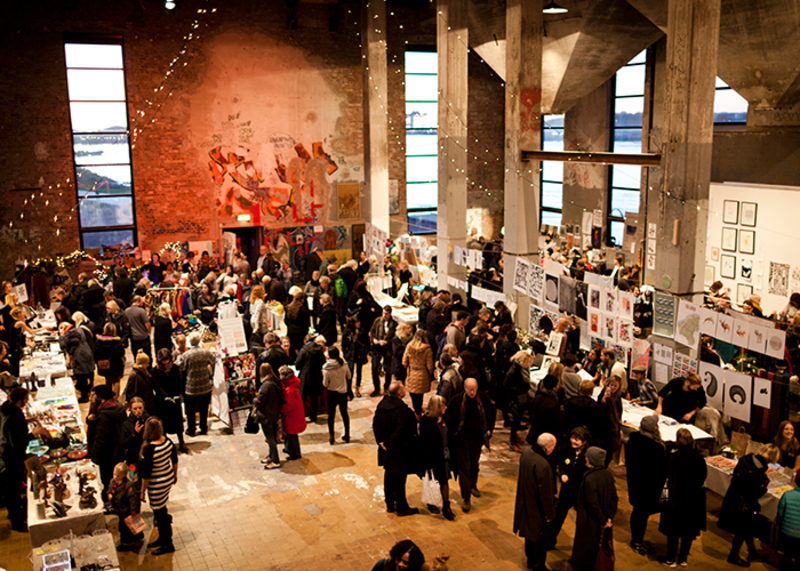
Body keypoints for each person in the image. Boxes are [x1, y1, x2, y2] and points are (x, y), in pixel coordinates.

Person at [718, 443, 780, 566]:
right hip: (744, 504)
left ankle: (752, 552)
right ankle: (734, 555)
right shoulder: (758, 474)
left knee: (747, 528)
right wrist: (764, 487)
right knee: (742, 529)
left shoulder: (745, 459)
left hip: (733, 497)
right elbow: (754, 493)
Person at [0, 387, 48, 531]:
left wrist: (27, 420)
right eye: (26, 399)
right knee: (13, 487)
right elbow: (16, 442)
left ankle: (16, 511)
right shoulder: (10, 417)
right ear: (19, 400)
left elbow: (16, 425)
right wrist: (34, 433)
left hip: (13, 453)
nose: (27, 402)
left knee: (14, 485)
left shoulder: (9, 410)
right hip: (12, 455)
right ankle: (16, 520)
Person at [658, 428, 708, 567]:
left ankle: (671, 558)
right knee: (688, 531)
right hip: (693, 499)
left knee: (673, 531)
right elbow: (703, 476)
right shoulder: (699, 458)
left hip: (677, 498)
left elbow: (668, 477)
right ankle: (683, 558)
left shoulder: (674, 457)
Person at [445, 378, 496, 512]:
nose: (472, 392)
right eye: (469, 389)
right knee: (464, 467)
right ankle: (466, 497)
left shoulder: (483, 399)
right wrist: (454, 433)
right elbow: (448, 417)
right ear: (465, 388)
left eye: (474, 389)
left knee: (474, 464)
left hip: (477, 438)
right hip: (462, 439)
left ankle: (473, 485)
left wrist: (489, 429)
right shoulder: (456, 401)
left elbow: (492, 413)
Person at [373, 381, 419, 516]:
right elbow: (400, 431)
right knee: (399, 478)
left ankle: (389, 504)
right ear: (399, 393)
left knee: (388, 475)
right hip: (399, 450)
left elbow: (376, 424)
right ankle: (401, 507)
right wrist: (388, 443)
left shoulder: (382, 405)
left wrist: (381, 441)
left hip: (387, 449)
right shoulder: (402, 411)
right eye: (403, 388)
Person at [513, 433, 557, 571]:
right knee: (538, 538)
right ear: (548, 447)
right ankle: (538, 565)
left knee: (529, 535)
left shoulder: (526, 453)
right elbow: (546, 495)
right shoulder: (543, 465)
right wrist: (550, 515)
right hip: (537, 507)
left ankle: (530, 560)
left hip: (526, 501)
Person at [570, 447, 618, 571]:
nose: (585, 458)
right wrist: (609, 518)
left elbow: (592, 504)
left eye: (587, 456)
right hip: (604, 518)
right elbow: (614, 499)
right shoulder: (607, 475)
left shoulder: (590, 478)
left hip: (590, 520)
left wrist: (603, 520)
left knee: (587, 545)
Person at [625, 415, 667, 555]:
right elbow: (661, 471)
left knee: (637, 512)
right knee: (642, 514)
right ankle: (637, 541)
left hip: (635, 483)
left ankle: (636, 539)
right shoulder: (656, 448)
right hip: (649, 487)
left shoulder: (633, 439)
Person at [139, 417, 178, 555]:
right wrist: (175, 474)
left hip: (157, 484)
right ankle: (163, 538)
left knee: (160, 514)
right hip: (167, 478)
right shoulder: (167, 441)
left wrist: (143, 491)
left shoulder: (150, 449)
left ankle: (167, 543)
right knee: (162, 509)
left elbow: (146, 474)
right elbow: (175, 459)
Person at [420, 395, 456, 521]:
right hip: (433, 458)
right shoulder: (426, 422)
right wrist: (427, 464)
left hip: (445, 456)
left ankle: (446, 507)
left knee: (444, 481)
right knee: (433, 481)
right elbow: (424, 444)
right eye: (443, 406)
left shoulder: (446, 418)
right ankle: (432, 502)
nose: (446, 408)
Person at [86, 384, 126, 497]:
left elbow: (101, 438)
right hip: (118, 450)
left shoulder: (103, 415)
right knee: (117, 476)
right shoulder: (119, 407)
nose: (93, 397)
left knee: (107, 478)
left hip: (107, 454)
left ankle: (109, 499)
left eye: (95, 395)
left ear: (101, 397)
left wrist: (93, 455)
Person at [552, 426, 591, 538]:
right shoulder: (566, 449)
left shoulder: (588, 453)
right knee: (559, 515)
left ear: (584, 442)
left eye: (577, 439)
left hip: (581, 492)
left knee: (582, 520)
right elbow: (561, 464)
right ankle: (550, 539)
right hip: (567, 489)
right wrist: (562, 474)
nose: (573, 441)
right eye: (572, 438)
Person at [179, 332, 216, 436]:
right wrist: (210, 375)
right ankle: (203, 428)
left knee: (190, 410)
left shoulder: (186, 355)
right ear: (199, 341)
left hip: (191, 387)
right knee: (203, 408)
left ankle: (191, 429)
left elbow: (180, 367)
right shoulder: (206, 352)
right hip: (204, 385)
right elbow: (214, 362)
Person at [152, 348, 187, 453]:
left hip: (175, 400)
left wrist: (176, 394)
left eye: (168, 363)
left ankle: (181, 442)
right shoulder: (155, 371)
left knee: (178, 422)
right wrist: (165, 396)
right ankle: (165, 444)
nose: (167, 366)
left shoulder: (175, 368)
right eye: (164, 363)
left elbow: (179, 382)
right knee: (164, 424)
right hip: (162, 402)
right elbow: (156, 385)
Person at [252, 362, 282, 469]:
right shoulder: (275, 382)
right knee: (272, 437)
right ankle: (271, 455)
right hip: (274, 413)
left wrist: (254, 399)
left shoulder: (265, 386)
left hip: (266, 416)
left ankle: (275, 460)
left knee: (270, 439)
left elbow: (259, 401)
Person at [108, 462, 143, 551]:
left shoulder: (128, 485)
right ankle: (137, 536)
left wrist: (133, 511)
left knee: (126, 529)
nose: (116, 477)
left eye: (118, 475)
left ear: (124, 475)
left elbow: (132, 499)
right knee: (126, 526)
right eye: (114, 474)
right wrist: (110, 494)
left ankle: (128, 544)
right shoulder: (113, 481)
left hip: (127, 510)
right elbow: (110, 488)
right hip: (119, 509)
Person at [59, 319, 96, 403]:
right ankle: (89, 388)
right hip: (87, 352)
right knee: (89, 372)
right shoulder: (78, 330)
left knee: (81, 375)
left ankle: (84, 396)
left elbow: (63, 345)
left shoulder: (69, 334)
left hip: (79, 356)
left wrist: (61, 337)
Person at [322, 347, 352, 444]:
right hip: (343, 392)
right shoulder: (344, 364)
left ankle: (332, 436)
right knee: (344, 414)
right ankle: (347, 434)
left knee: (331, 415)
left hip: (331, 393)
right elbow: (349, 376)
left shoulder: (326, 368)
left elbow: (325, 384)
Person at [560, 379, 604, 446]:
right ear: (592, 392)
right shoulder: (596, 407)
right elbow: (599, 427)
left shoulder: (570, 403)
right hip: (588, 440)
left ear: (579, 390)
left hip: (570, 437)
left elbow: (563, 421)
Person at [402, 329, 434, 417]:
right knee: (420, 395)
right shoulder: (427, 348)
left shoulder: (409, 346)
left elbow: (404, 362)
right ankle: (418, 412)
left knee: (413, 394)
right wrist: (430, 373)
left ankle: (416, 410)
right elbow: (429, 366)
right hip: (422, 374)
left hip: (411, 373)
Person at [295, 334, 326, 423]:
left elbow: (298, 364)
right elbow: (323, 362)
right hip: (316, 376)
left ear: (305, 341)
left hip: (305, 376)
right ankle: (314, 416)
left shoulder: (303, 350)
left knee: (302, 397)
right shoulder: (319, 350)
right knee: (314, 397)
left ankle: (302, 415)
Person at [279, 365, 306, 460]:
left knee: (292, 435)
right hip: (296, 413)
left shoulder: (289, 390)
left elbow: (289, 405)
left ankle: (295, 454)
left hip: (291, 415)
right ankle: (289, 449)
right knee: (289, 434)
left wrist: (280, 409)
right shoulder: (293, 384)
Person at [526, 373, 560, 451]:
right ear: (554, 388)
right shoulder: (554, 403)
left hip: (534, 431)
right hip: (545, 434)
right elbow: (554, 422)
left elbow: (530, 412)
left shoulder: (537, 398)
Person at [370, 306, 397, 397]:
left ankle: (386, 387)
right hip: (377, 348)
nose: (384, 316)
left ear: (390, 314)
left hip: (387, 349)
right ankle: (376, 388)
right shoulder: (377, 321)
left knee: (387, 369)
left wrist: (387, 342)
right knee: (374, 367)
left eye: (386, 314)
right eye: (383, 313)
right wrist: (374, 339)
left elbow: (394, 337)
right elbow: (372, 332)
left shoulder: (394, 324)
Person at [94, 322, 125, 396]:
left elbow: (95, 352)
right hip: (116, 364)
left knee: (108, 381)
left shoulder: (99, 341)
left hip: (104, 365)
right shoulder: (117, 341)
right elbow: (122, 353)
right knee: (116, 381)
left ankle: (109, 397)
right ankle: (116, 398)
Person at [776, 472, 800, 571]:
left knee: (787, 553)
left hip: (787, 531)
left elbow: (780, 513)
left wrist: (780, 523)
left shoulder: (787, 495)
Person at [597, 375, 623, 465]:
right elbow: (600, 406)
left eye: (615, 386)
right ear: (607, 384)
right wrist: (604, 398)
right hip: (605, 428)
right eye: (611, 385)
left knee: (610, 452)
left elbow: (619, 414)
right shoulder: (603, 394)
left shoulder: (618, 398)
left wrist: (619, 429)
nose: (613, 387)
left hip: (614, 428)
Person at [119, 397, 150, 467]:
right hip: (133, 458)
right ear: (131, 409)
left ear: (143, 407)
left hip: (148, 456)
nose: (138, 411)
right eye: (135, 409)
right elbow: (124, 443)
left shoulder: (149, 420)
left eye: (140, 408)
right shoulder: (126, 424)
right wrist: (134, 433)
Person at [342, 316, 368, 397]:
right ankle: (348, 391)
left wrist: (365, 352)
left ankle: (357, 388)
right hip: (351, 355)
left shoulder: (362, 331)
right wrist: (346, 355)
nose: (359, 323)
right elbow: (343, 345)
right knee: (350, 374)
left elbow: (366, 342)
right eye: (357, 322)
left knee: (359, 372)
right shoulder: (347, 332)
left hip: (359, 355)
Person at [126, 350, 157, 415]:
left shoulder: (146, 373)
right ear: (141, 364)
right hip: (141, 408)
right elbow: (129, 393)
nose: (148, 365)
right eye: (146, 363)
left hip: (149, 405)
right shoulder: (134, 375)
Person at [284, 291, 311, 361]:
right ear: (302, 299)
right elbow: (307, 323)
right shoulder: (303, 310)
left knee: (291, 348)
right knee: (300, 348)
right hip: (301, 332)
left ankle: (291, 361)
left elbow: (286, 320)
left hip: (291, 331)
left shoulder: (289, 307)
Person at [125, 296, 152, 361]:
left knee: (136, 356)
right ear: (137, 302)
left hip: (133, 337)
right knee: (147, 355)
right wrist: (149, 332)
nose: (142, 304)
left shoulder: (126, 311)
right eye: (142, 303)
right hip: (143, 336)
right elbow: (147, 323)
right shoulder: (141, 311)